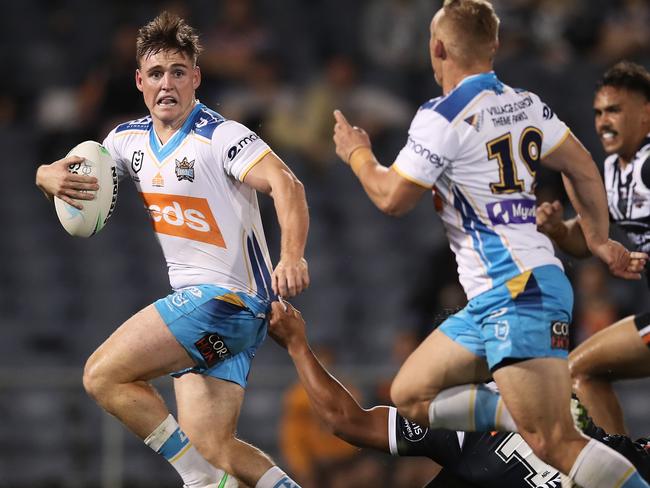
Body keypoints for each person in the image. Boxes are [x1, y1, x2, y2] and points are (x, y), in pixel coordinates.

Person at [332, 1, 648, 486]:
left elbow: (391, 198)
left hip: (516, 291)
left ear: (436, 47)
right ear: (494, 46)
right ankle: (519, 411)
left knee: (554, 444)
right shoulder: (526, 103)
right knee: (411, 394)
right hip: (504, 294)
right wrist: (599, 240)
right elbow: (583, 167)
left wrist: (357, 154)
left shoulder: (442, 115)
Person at [35, 12, 309, 488]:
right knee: (216, 446)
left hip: (225, 301)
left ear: (196, 78)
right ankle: (219, 478)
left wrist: (291, 256)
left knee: (102, 375)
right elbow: (75, 174)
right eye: (157, 74)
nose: (168, 84)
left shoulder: (222, 136)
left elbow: (286, 185)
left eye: (178, 72)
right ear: (139, 80)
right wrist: (45, 175)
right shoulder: (126, 140)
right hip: (223, 322)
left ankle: (198, 480)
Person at [268, 300, 650, 488]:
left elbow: (346, 421)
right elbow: (345, 421)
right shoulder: (455, 416)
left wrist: (298, 347)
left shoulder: (454, 419)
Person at [537, 61, 650, 435]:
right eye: (599, 112)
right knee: (581, 370)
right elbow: (586, 239)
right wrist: (556, 229)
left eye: (615, 110)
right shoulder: (614, 172)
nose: (603, 121)